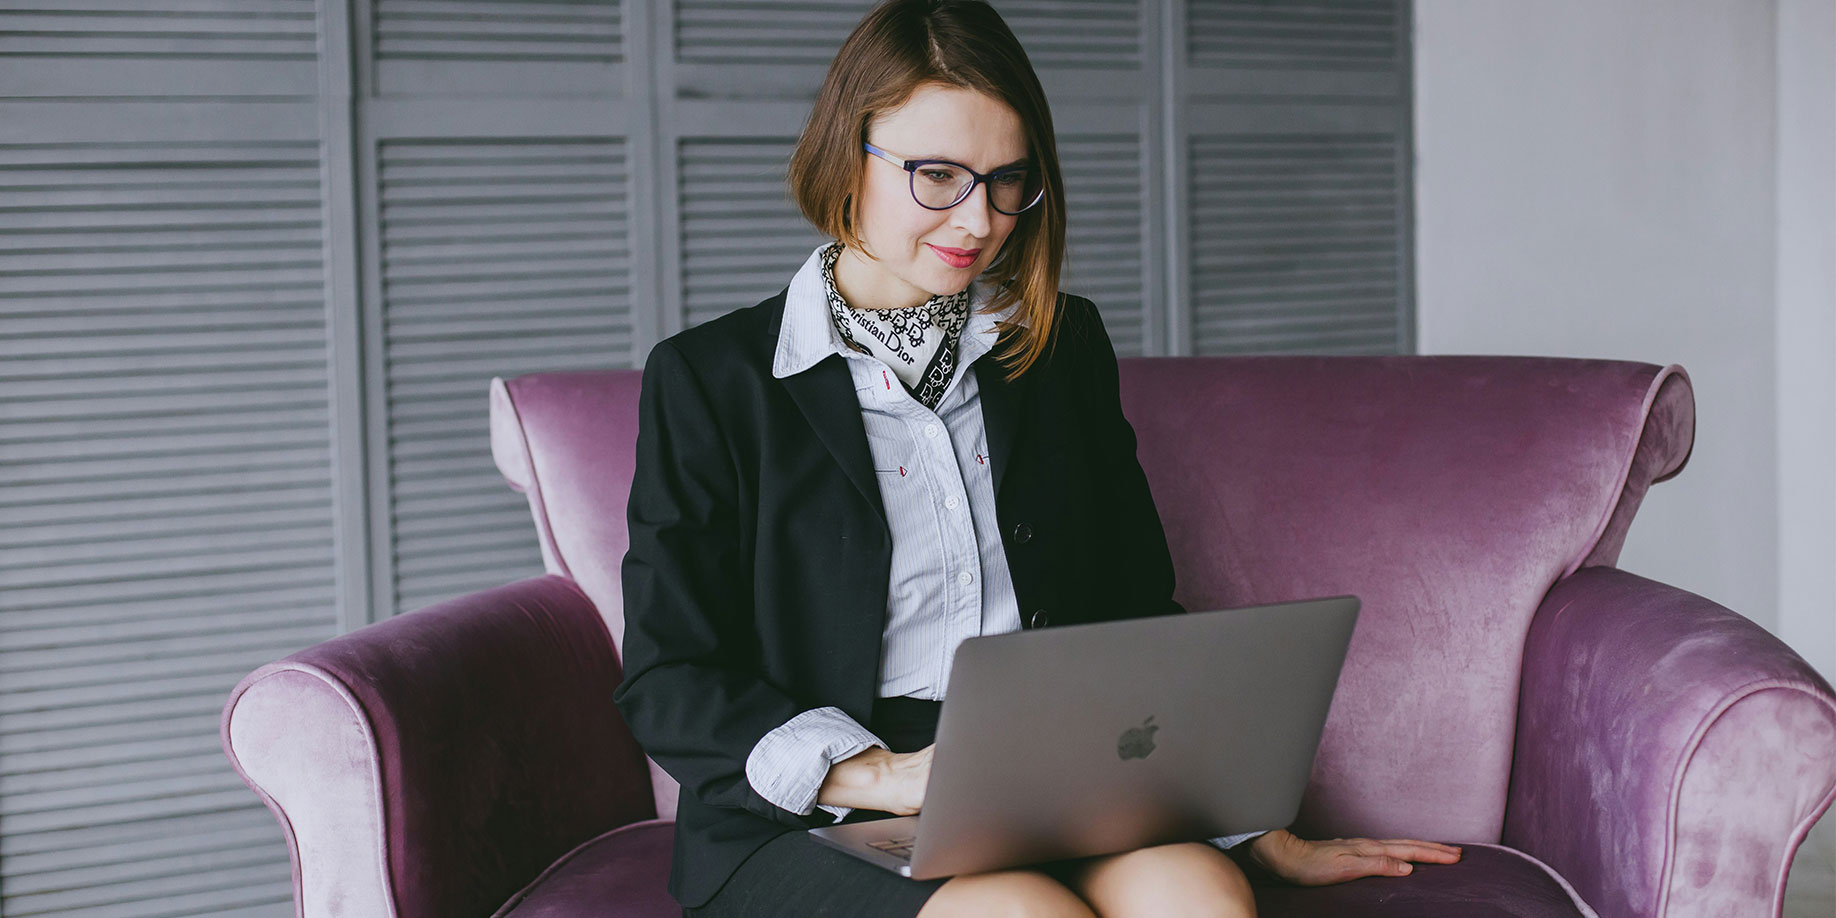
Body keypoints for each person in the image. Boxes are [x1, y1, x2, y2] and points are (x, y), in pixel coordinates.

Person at [612, 1, 1462, 915]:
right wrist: (883, 774)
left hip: (1056, 772)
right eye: (937, 175)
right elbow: (669, 677)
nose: (978, 220)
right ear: (844, 156)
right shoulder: (710, 380)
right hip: (815, 809)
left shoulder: (1061, 347)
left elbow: (1133, 609)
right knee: (1020, 913)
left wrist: (1247, 825)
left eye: (1008, 180)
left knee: (1200, 897)